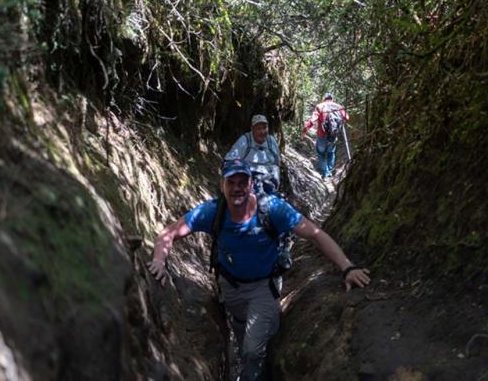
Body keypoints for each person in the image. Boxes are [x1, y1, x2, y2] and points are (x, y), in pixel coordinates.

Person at [148, 159, 370, 381]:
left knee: (253, 349)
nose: (237, 188)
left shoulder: (272, 209)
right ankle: (255, 364)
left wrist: (347, 267)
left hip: (264, 287)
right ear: (222, 185)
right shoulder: (213, 212)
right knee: (243, 334)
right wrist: (159, 260)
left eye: (242, 182)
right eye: (231, 182)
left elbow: (315, 234)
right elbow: (169, 233)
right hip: (230, 287)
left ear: (251, 184)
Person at [225, 114, 280, 195]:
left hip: (269, 179)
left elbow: (277, 163)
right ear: (252, 129)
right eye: (258, 128)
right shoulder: (245, 140)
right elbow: (229, 161)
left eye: (265, 127)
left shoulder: (271, 141)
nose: (262, 132)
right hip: (248, 179)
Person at [302, 93, 349, 179]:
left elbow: (313, 120)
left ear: (323, 99)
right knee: (331, 153)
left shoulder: (320, 106)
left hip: (322, 135)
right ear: (332, 99)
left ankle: (325, 173)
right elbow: (347, 117)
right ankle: (329, 172)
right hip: (333, 135)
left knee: (321, 154)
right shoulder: (338, 107)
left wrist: (305, 129)